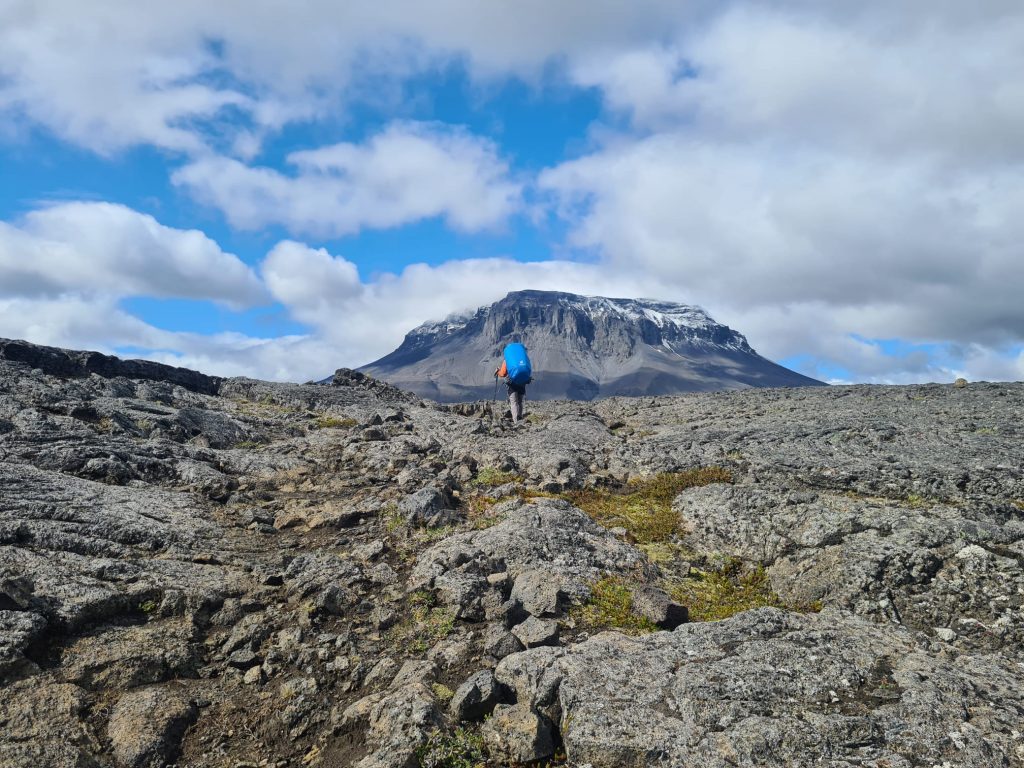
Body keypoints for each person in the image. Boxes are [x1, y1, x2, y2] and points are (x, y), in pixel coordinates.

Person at [494, 357, 527, 423]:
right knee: (520, 402)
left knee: (514, 402)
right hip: (522, 383)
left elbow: (503, 373)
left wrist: (498, 371)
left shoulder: (507, 360)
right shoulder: (522, 359)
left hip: (512, 384)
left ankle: (516, 421)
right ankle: (520, 417)